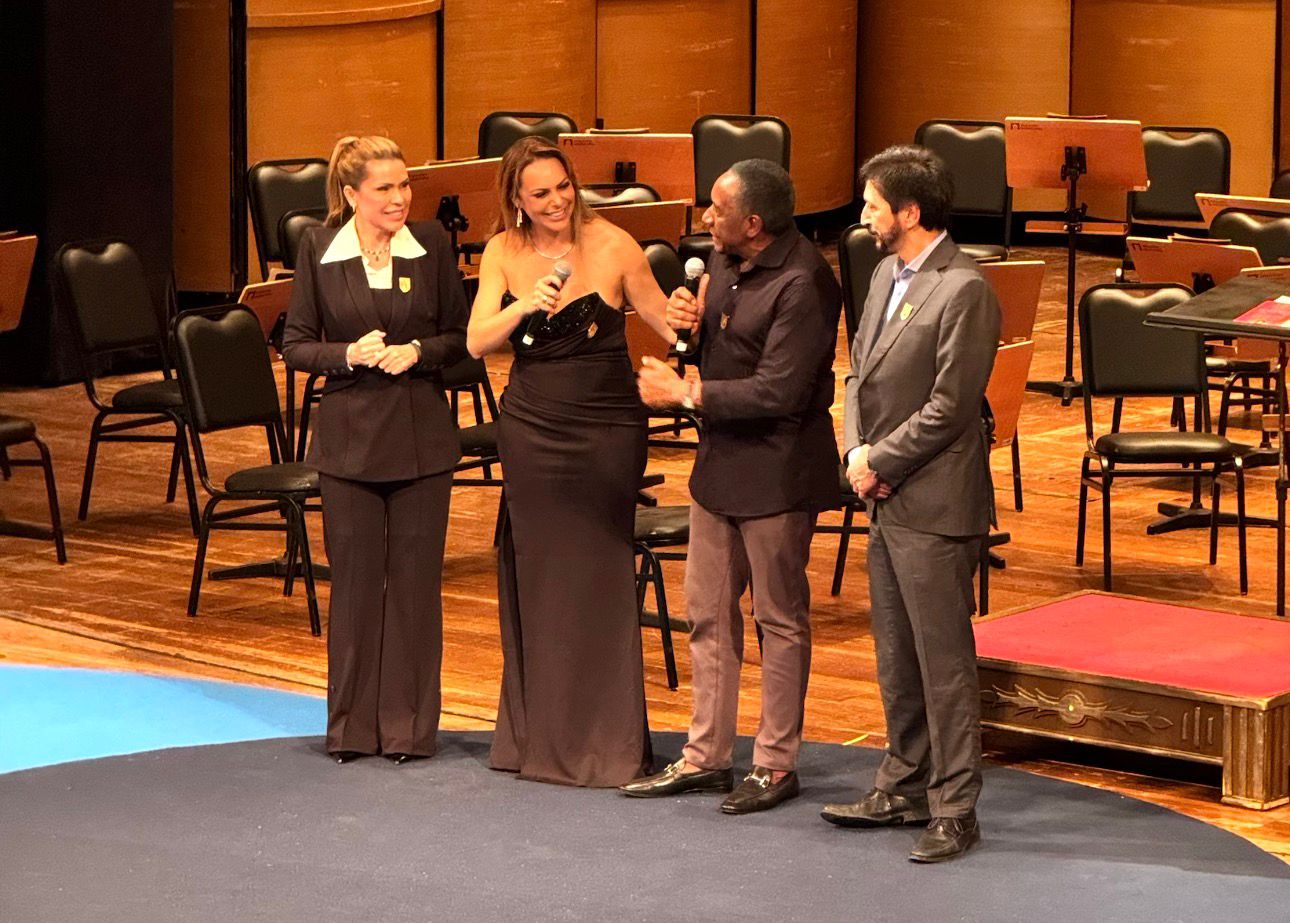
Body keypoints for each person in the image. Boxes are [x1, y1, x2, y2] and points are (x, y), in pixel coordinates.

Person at [623, 159, 841, 814]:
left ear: (753, 222)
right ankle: (705, 756)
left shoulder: (805, 282)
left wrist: (685, 390)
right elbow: (723, 343)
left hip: (777, 471)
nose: (705, 217)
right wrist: (692, 325)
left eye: (716, 209)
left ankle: (775, 764)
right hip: (718, 467)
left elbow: (781, 389)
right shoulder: (721, 260)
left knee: (777, 619)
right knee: (707, 614)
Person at [467, 136, 677, 787]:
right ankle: (541, 740)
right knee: (543, 576)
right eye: (541, 193)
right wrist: (523, 306)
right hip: (532, 427)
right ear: (517, 200)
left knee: (600, 574)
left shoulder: (614, 243)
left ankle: (609, 744)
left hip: (606, 426)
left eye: (563, 187)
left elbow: (666, 320)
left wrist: (695, 323)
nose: (557, 201)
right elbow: (477, 339)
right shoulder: (502, 251)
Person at [820, 145, 1000, 862]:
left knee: (943, 662)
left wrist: (879, 461)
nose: (863, 216)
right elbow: (860, 375)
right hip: (883, 494)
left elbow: (952, 406)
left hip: (933, 500)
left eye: (871, 205)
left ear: (910, 212)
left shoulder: (965, 289)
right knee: (897, 654)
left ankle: (955, 807)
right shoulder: (884, 276)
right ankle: (903, 783)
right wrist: (857, 457)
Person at [282, 135, 469, 765]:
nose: (399, 198)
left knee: (415, 588)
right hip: (349, 444)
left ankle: (411, 731)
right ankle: (352, 730)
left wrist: (418, 351)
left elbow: (461, 338)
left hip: (421, 439)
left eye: (405, 185)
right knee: (357, 587)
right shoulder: (317, 246)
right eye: (384, 188)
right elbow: (296, 344)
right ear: (351, 194)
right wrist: (347, 355)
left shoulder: (433, 244)